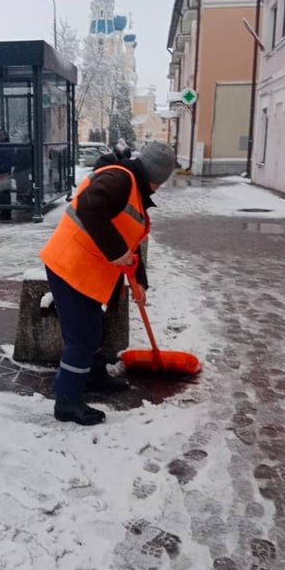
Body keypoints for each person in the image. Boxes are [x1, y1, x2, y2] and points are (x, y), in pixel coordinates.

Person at [39, 140, 177, 426]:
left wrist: (139, 284)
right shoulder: (119, 178)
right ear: (154, 176)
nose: (159, 188)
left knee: (94, 332)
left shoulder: (134, 190)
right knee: (83, 337)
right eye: (161, 182)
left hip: (86, 271)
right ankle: (67, 401)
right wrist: (117, 252)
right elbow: (90, 207)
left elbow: (131, 243)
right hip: (70, 266)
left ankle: (93, 377)